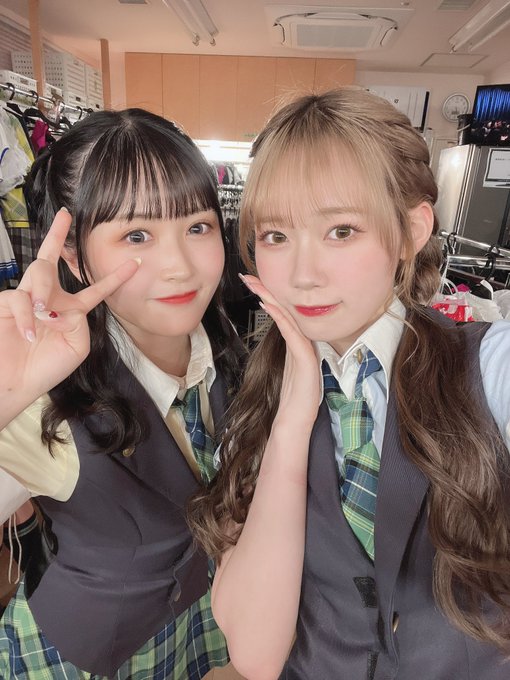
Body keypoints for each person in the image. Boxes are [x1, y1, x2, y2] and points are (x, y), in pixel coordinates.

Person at [189, 87, 510, 680]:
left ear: (411, 230)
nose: (303, 274)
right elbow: (255, 655)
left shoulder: (487, 365)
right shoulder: (254, 398)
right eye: (276, 236)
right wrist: (292, 421)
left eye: (341, 230)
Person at [0, 108, 245, 679]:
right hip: (83, 657)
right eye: (137, 235)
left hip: (197, 625)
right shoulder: (45, 398)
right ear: (74, 256)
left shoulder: (225, 348)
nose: (179, 267)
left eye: (198, 227)